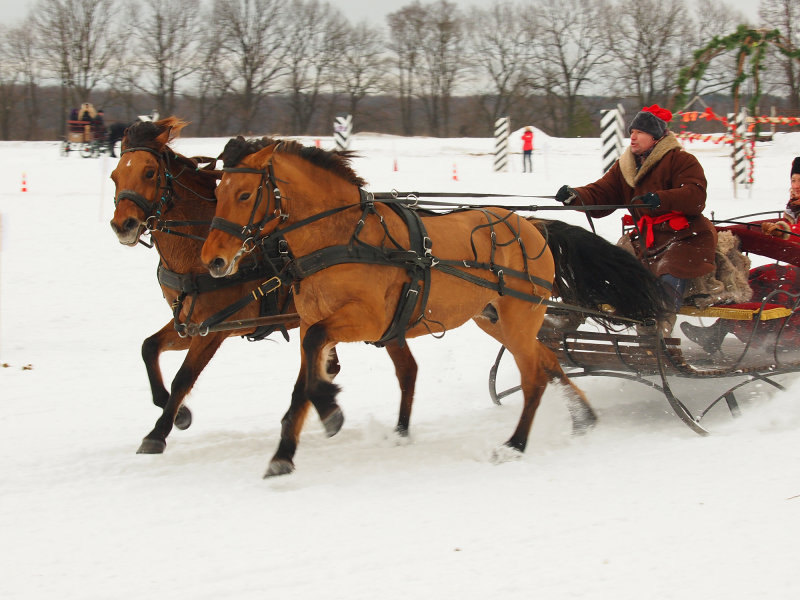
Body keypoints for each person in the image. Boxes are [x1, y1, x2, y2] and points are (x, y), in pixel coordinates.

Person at [554, 104, 717, 335]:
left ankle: (657, 325)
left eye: (639, 132)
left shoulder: (681, 160)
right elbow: (602, 192)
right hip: (644, 239)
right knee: (607, 265)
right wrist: (575, 196)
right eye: (632, 131)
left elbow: (695, 195)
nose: (633, 136)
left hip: (684, 237)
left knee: (668, 269)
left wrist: (660, 199)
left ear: (656, 136)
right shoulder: (626, 166)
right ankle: (575, 314)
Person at [681, 156, 800, 353]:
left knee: (777, 279)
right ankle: (719, 327)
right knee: (756, 278)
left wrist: (783, 230)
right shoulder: (793, 207)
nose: (796, 186)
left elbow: (793, 231)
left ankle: (768, 334)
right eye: (794, 180)